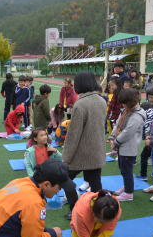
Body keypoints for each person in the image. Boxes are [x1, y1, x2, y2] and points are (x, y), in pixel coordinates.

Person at [62, 71, 107, 220]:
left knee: (65, 178)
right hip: (97, 149)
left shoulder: (80, 104)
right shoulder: (101, 100)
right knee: (95, 184)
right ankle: (98, 211)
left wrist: (66, 156)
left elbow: (73, 135)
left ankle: (75, 209)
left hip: (81, 152)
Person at [108, 88, 146, 201]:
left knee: (126, 170)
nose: (123, 105)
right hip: (122, 145)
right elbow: (118, 125)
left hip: (129, 147)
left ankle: (129, 193)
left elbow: (128, 131)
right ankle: (127, 186)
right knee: (123, 169)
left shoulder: (138, 114)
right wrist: (112, 137)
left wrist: (115, 142)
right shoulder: (126, 111)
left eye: (124, 103)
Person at [135, 102, 153, 181]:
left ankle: (143, 175)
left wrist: (147, 138)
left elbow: (148, 130)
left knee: (144, 155)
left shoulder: (147, 118)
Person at [106, 76, 123, 155]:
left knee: (118, 135)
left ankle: (119, 152)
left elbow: (119, 108)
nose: (111, 87)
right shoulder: (115, 92)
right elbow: (112, 107)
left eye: (112, 85)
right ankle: (115, 151)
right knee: (114, 135)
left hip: (118, 118)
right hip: (114, 118)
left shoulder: (120, 94)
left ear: (118, 84)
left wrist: (116, 120)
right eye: (110, 85)